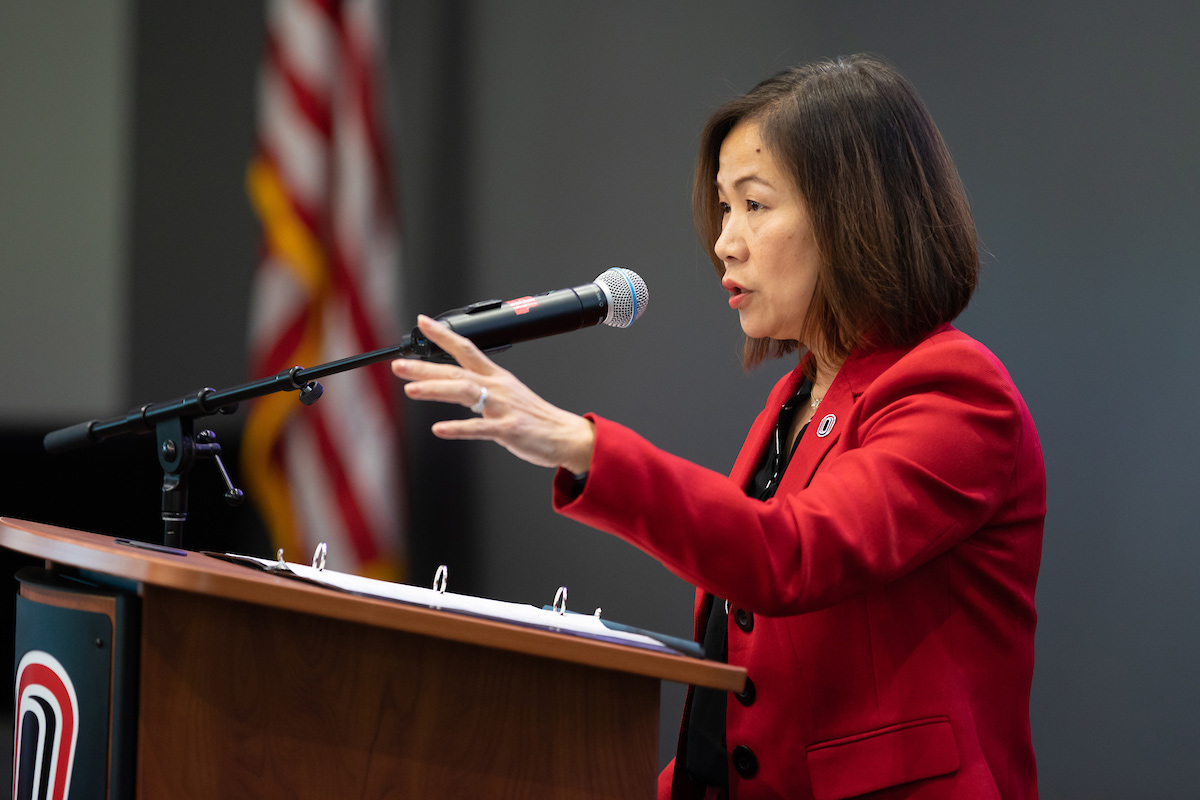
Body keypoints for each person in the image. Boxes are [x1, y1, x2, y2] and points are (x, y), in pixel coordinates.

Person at [391, 54, 1044, 800]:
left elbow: (789, 555)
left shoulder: (957, 393)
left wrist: (587, 447)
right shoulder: (798, 397)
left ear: (854, 212)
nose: (725, 242)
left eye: (756, 206)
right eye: (724, 208)